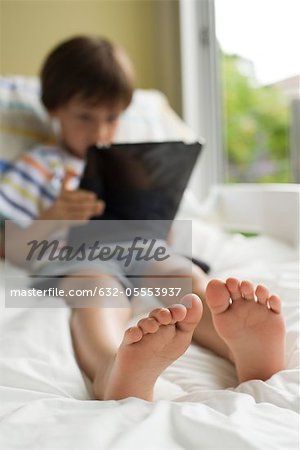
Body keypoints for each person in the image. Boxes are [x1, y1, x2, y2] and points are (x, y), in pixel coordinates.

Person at [0, 36, 286, 402]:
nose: (99, 132)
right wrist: (54, 215)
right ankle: (111, 367)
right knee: (98, 291)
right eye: (85, 117)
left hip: (143, 246)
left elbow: (165, 231)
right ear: (54, 110)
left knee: (184, 277)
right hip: (79, 257)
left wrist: (154, 209)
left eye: (111, 118)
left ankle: (238, 345)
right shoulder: (39, 166)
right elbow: (12, 247)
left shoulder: (132, 164)